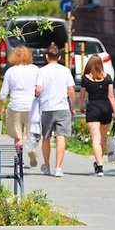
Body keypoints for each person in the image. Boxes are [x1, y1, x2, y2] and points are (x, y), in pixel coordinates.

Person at [35, 43, 75, 178]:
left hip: (47, 108)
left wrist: (36, 95)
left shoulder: (42, 71)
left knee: (46, 137)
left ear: (47, 56)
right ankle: (58, 167)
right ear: (59, 57)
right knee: (61, 136)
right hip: (62, 107)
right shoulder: (65, 70)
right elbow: (71, 90)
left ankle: (46, 166)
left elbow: (38, 89)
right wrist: (72, 106)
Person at [0, 45, 40, 167]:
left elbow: (4, 92)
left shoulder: (10, 71)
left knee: (18, 136)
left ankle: (20, 159)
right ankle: (31, 149)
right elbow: (40, 87)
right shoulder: (35, 69)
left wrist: (0, 106)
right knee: (31, 133)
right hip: (31, 106)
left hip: (15, 105)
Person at [79, 54, 115, 177]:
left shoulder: (86, 79)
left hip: (93, 108)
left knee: (95, 139)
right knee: (102, 139)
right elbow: (111, 97)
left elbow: (82, 96)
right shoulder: (108, 78)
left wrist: (81, 107)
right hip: (106, 108)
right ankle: (99, 162)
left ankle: (99, 166)